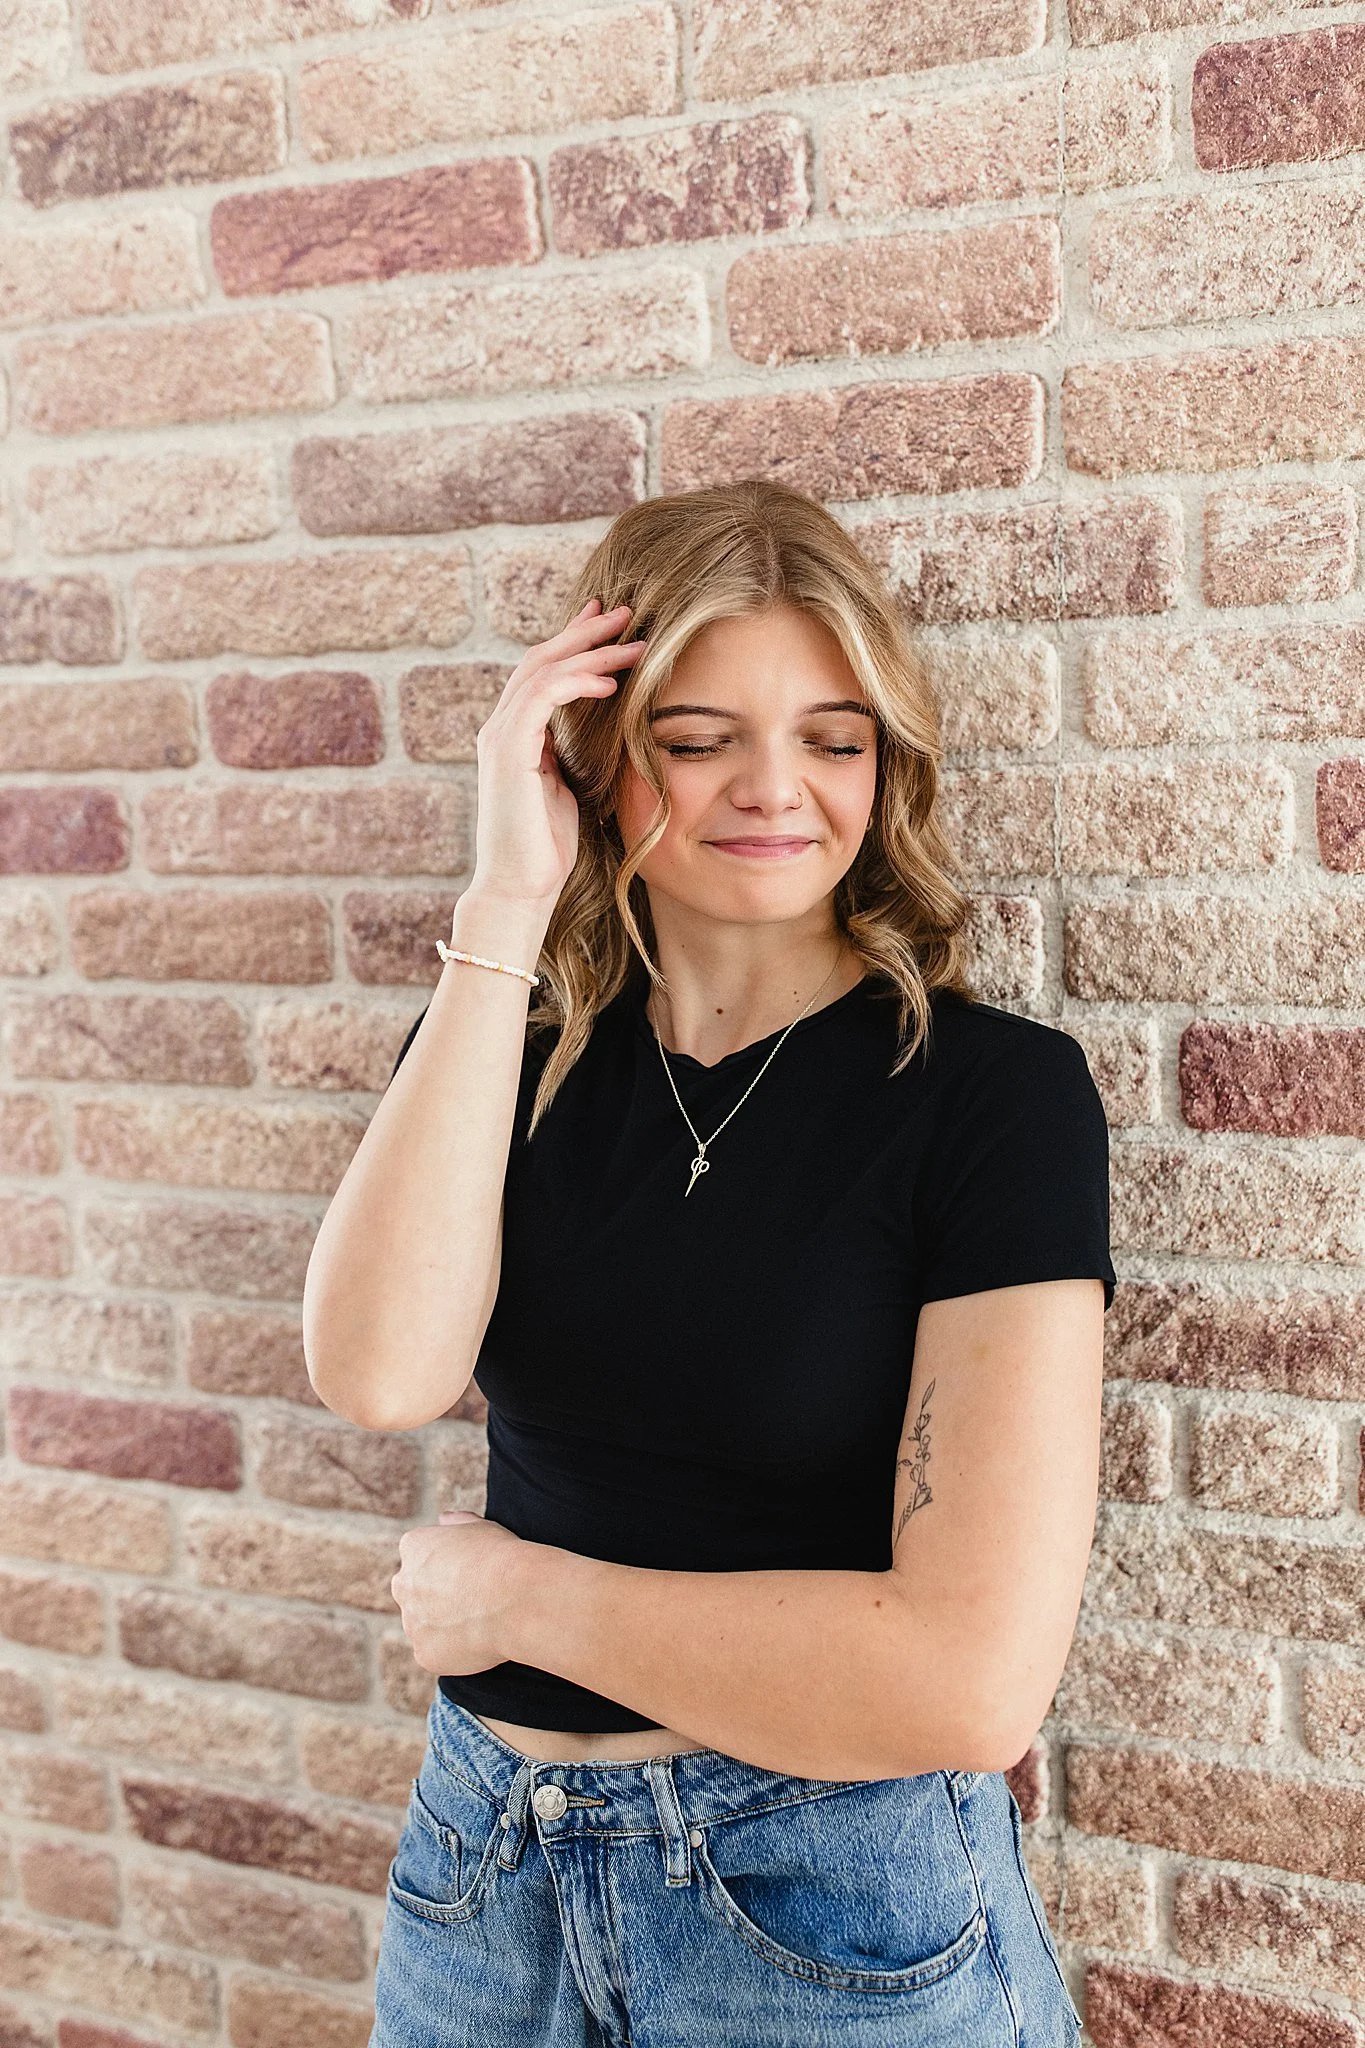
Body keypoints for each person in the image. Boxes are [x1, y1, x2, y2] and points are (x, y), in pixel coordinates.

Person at [303, 478, 1114, 2047]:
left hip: (823, 1904)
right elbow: (383, 1375)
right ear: (597, 760)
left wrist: (520, 1595)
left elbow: (964, 1686)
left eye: (833, 735)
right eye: (694, 738)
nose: (775, 788)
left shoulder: (989, 1097)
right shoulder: (511, 1043)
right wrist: (503, 905)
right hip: (487, 1878)